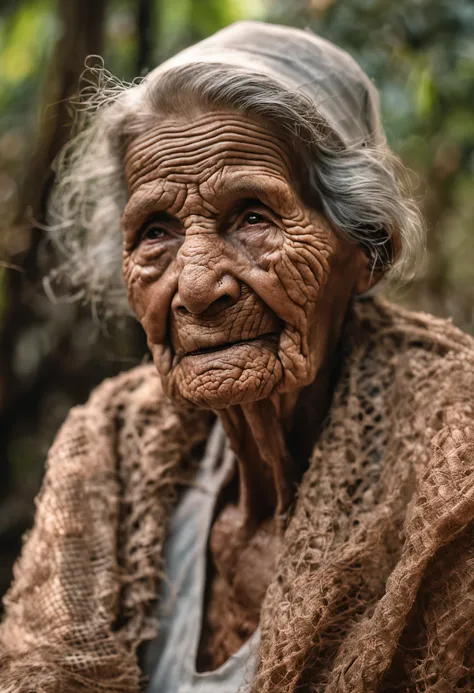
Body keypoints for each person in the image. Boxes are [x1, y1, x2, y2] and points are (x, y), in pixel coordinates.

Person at [1, 20, 474, 693]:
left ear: (367, 248)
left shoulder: (456, 468)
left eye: (252, 215)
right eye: (155, 231)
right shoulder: (106, 447)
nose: (196, 287)